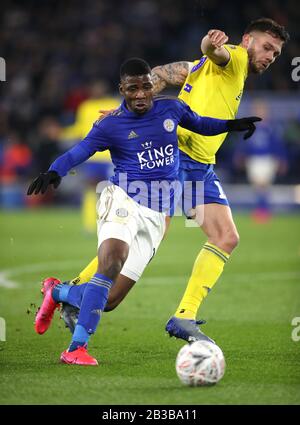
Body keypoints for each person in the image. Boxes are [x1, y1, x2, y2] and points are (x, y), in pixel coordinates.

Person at [52, 18, 289, 342]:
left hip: (201, 166)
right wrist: (211, 42)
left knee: (225, 237)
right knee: (137, 247)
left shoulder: (205, 68)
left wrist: (127, 109)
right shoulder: (233, 59)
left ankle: (183, 316)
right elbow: (214, 50)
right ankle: (73, 293)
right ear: (247, 40)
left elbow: (161, 74)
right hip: (176, 157)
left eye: (275, 54)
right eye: (266, 47)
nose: (269, 56)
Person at [28, 58, 260, 365]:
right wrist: (54, 171)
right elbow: (79, 151)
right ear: (122, 89)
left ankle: (57, 293)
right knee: (111, 263)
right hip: (122, 197)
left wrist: (231, 125)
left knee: (109, 300)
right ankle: (76, 349)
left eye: (145, 86)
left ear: (153, 86)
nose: (139, 94)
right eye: (132, 88)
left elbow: (201, 123)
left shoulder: (171, 109)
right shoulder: (110, 125)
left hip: (155, 214)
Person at [233, 99, 288, 222]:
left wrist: (282, 160)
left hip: (268, 159)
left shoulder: (272, 127)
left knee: (263, 186)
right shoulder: (249, 126)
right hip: (253, 160)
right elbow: (243, 143)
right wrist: (240, 155)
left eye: (262, 110)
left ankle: (262, 211)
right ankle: (263, 210)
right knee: (258, 187)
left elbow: (277, 145)